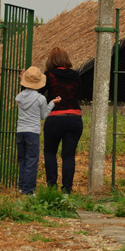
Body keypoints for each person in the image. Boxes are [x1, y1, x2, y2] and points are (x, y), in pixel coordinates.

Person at [41, 47, 83, 194]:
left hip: (55, 118)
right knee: (68, 156)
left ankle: (51, 187)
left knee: (50, 153)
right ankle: (67, 190)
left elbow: (38, 93)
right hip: (74, 118)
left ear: (51, 60)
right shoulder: (75, 75)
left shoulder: (49, 75)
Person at [16, 66, 61, 195]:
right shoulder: (41, 99)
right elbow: (43, 115)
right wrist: (52, 103)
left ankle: (22, 186)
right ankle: (29, 190)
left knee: (22, 160)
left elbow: (26, 95)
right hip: (32, 132)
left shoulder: (19, 97)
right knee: (32, 160)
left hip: (20, 131)